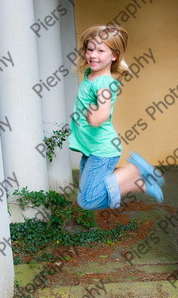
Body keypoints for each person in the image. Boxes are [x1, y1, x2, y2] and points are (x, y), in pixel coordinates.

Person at [68, 24, 164, 211]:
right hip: (91, 148)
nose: (93, 55)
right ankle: (136, 182)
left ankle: (131, 172)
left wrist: (94, 117)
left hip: (102, 150)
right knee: (86, 198)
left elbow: (103, 112)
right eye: (90, 49)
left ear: (114, 56)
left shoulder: (104, 83)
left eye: (100, 51)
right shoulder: (90, 74)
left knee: (88, 201)